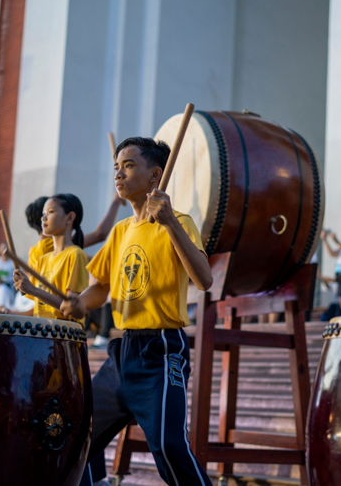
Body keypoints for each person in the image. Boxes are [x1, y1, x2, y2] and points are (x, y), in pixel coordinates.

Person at [59, 137, 214, 486]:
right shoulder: (119, 232)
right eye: (116, 167)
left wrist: (170, 222)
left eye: (128, 165)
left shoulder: (179, 222)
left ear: (155, 175)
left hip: (160, 351)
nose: (119, 173)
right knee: (77, 438)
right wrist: (80, 302)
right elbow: (101, 286)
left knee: (169, 447)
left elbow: (203, 280)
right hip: (122, 352)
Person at [13, 194, 89, 325]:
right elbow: (39, 304)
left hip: (64, 337)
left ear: (70, 217)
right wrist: (24, 286)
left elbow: (70, 307)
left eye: (51, 212)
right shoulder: (42, 260)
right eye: (43, 213)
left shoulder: (76, 255)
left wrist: (34, 290)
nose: (43, 217)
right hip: (42, 333)